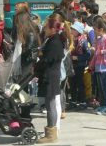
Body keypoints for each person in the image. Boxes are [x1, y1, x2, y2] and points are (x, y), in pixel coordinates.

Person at [34, 14, 65, 143]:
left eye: (47, 27)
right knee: (49, 103)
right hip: (50, 75)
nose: (45, 29)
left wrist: (38, 63)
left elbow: (48, 60)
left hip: (51, 77)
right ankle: (51, 132)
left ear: (53, 29)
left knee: (51, 104)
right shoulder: (52, 40)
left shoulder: (55, 42)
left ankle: (51, 133)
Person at [69, 21, 91, 109]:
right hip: (72, 65)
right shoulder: (71, 40)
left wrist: (77, 58)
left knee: (80, 83)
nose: (71, 31)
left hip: (79, 65)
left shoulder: (83, 41)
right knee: (72, 83)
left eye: (73, 29)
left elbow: (88, 54)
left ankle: (82, 102)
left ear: (78, 31)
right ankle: (73, 101)